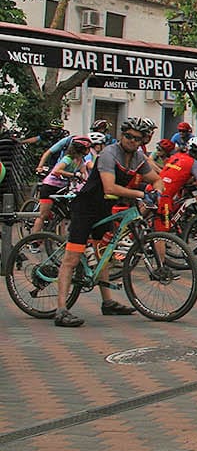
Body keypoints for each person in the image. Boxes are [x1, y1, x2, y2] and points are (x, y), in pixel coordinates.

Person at [52, 118, 161, 327]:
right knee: (72, 259)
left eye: (136, 138)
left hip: (103, 208)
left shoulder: (138, 157)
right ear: (122, 135)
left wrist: (156, 193)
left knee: (103, 253)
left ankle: (107, 302)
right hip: (85, 207)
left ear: (142, 140)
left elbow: (156, 179)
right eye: (128, 135)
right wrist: (141, 193)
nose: (131, 140)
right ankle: (61, 310)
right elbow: (110, 187)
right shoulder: (109, 154)